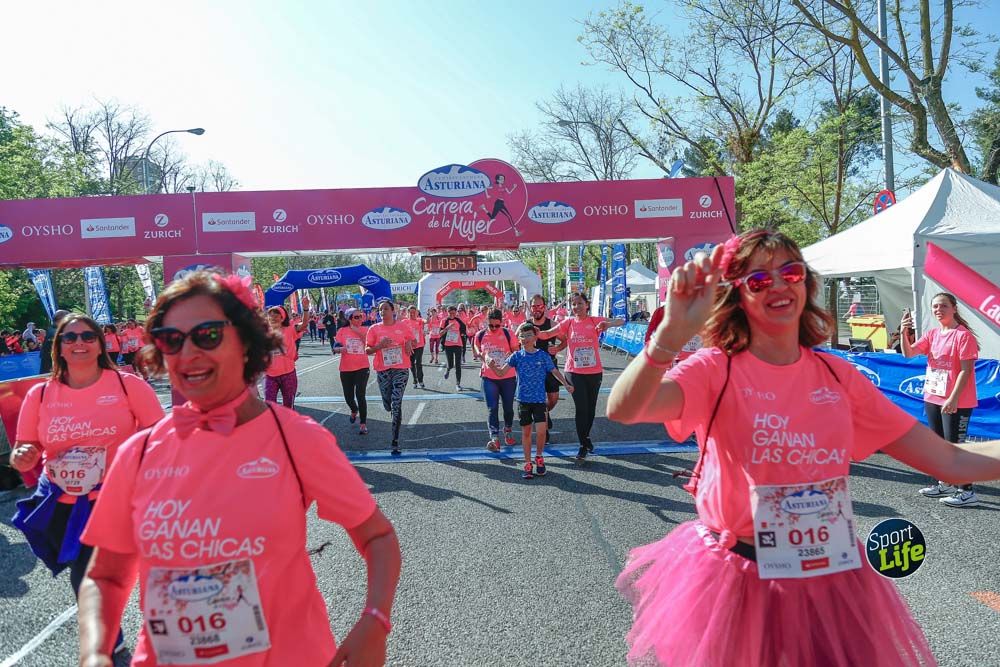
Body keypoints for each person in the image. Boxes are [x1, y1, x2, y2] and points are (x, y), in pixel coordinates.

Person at [607, 229, 1000, 667]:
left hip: (832, 580)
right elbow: (625, 408)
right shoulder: (716, 369)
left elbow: (949, 459)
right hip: (736, 580)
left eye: (790, 272)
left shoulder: (838, 376)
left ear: (806, 284)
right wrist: (670, 334)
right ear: (737, 296)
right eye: (759, 279)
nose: (778, 285)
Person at [76, 270, 401, 666]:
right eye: (171, 339)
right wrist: (95, 653)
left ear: (246, 341)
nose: (187, 353)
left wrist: (375, 620)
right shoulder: (139, 452)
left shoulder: (297, 438)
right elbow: (105, 576)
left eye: (208, 335)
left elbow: (377, 537)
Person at [9, 314, 163, 655]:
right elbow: (25, 448)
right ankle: (110, 634)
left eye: (87, 336)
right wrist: (22, 455)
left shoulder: (127, 385)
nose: (79, 342)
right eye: (70, 337)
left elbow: (160, 436)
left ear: (100, 343)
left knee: (110, 571)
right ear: (59, 347)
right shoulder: (40, 394)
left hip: (116, 498)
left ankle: (143, 633)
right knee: (85, 572)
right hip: (63, 502)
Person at [901, 294, 981, 507]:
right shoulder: (933, 334)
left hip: (957, 400)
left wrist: (953, 398)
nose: (939, 309)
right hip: (933, 396)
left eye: (944, 306)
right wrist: (903, 332)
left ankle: (967, 491)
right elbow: (909, 353)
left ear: (954, 308)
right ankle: (945, 482)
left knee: (955, 447)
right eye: (935, 306)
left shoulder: (963, 336)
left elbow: (966, 371)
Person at [538, 292, 624, 461]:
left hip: (594, 372)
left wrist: (608, 324)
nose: (576, 307)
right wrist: (533, 331)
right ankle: (583, 444)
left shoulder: (594, 320)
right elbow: (547, 334)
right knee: (582, 408)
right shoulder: (568, 322)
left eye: (579, 303)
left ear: (587, 304)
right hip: (574, 372)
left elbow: (621, 321)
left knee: (591, 410)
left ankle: (586, 437)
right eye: (573, 304)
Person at [489, 322, 574, 479]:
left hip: (539, 400)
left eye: (529, 335)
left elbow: (554, 371)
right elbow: (501, 373)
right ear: (519, 339)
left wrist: (566, 384)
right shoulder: (516, 356)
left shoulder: (543, 355)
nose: (525, 338)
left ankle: (539, 457)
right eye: (522, 336)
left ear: (535, 337)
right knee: (526, 433)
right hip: (523, 400)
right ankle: (528, 463)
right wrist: (492, 366)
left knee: (541, 432)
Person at [366, 301, 415, 455]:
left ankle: (395, 439)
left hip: (401, 368)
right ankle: (388, 404)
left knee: (396, 402)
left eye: (386, 309)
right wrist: (379, 346)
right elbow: (367, 350)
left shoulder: (402, 326)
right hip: (383, 370)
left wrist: (409, 343)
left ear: (393, 311)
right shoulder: (374, 329)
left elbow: (413, 339)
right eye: (380, 310)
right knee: (388, 404)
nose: (382, 312)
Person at [475, 310, 519, 451]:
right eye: (491, 325)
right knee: (492, 408)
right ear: (486, 322)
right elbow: (476, 350)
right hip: (489, 377)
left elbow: (517, 351)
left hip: (507, 376)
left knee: (508, 408)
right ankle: (494, 438)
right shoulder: (480, 335)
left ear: (502, 322)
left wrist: (510, 354)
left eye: (497, 325)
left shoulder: (508, 333)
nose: (494, 328)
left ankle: (508, 429)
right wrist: (484, 357)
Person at [528, 295, 566, 444]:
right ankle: (544, 429)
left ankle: (544, 413)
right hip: (533, 370)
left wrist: (557, 348)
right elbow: (516, 343)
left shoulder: (552, 324)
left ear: (544, 307)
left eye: (539, 306)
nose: (537, 309)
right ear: (530, 308)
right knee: (539, 401)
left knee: (553, 399)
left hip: (551, 368)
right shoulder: (526, 325)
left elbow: (565, 340)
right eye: (534, 306)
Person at [335, 308, 371, 435]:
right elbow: (335, 346)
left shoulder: (366, 329)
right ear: (349, 319)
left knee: (360, 395)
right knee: (348, 397)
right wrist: (339, 349)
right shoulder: (342, 331)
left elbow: (368, 342)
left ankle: (363, 424)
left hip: (362, 367)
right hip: (346, 368)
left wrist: (355, 330)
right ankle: (354, 409)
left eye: (361, 316)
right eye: (356, 317)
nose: (360, 319)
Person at [264, 306, 308, 408]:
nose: (272, 318)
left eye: (276, 316)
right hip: (270, 376)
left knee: (288, 406)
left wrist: (305, 309)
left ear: (282, 318)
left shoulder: (290, 329)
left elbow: (304, 324)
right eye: (270, 316)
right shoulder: (263, 333)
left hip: (288, 375)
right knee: (269, 405)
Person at [439, 306, 468, 390]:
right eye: (450, 313)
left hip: (458, 344)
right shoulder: (444, 321)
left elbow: (464, 330)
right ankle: (448, 369)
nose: (452, 315)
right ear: (447, 313)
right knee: (451, 364)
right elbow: (440, 333)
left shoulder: (458, 320)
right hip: (448, 345)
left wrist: (462, 334)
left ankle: (458, 384)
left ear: (456, 313)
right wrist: (447, 328)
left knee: (458, 365)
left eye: (454, 313)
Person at [38, 309, 70, 375]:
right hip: (52, 371)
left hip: (51, 369)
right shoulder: (56, 333)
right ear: (62, 319)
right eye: (69, 319)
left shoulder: (52, 330)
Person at [404, 306, 427, 389]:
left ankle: (420, 380)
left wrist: (428, 318)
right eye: (410, 312)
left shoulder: (419, 320)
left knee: (418, 363)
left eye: (414, 312)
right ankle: (415, 379)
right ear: (408, 313)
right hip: (409, 346)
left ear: (417, 313)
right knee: (411, 363)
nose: (412, 314)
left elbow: (425, 321)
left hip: (419, 345)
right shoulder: (405, 322)